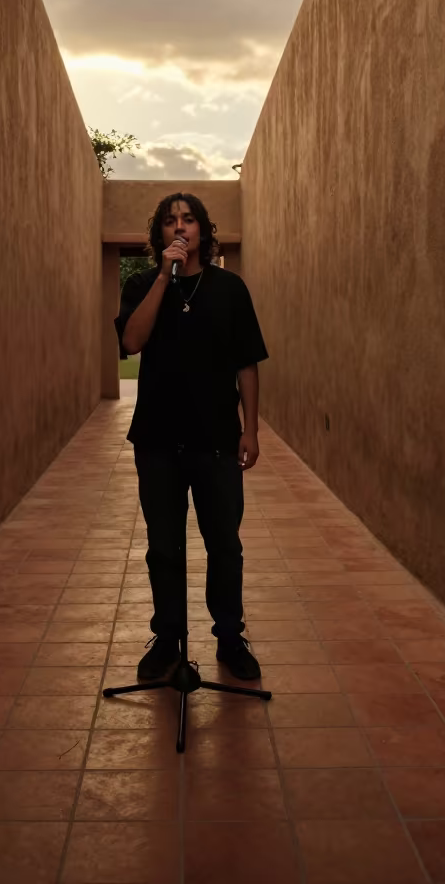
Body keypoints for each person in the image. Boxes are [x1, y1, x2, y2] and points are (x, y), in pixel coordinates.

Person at [114, 191, 269, 681]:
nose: (180, 228)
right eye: (169, 222)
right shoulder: (143, 284)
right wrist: (164, 275)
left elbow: (246, 363)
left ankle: (228, 637)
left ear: (204, 230)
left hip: (218, 440)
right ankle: (168, 637)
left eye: (188, 220)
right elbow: (131, 342)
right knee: (164, 546)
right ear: (158, 234)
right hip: (158, 442)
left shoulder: (230, 289)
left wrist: (252, 429)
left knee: (224, 544)